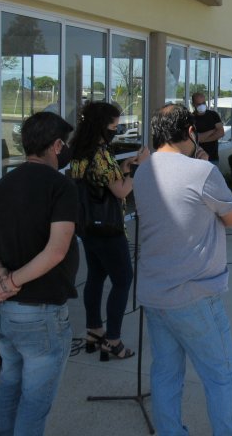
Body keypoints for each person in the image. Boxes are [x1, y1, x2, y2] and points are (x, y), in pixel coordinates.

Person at [133, 104, 232, 435]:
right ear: (191, 132)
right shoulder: (202, 172)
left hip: (155, 292)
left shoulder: (143, 171)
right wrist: (203, 167)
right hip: (195, 294)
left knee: (166, 373)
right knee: (221, 376)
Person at [0, 111, 79, 435]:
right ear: (57, 145)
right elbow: (57, 250)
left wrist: (1, 276)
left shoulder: (5, 183)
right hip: (38, 316)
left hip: (3, 314)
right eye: (66, 143)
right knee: (34, 401)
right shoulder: (60, 186)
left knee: (11, 384)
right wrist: (8, 282)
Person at [69, 101, 148, 360]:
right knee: (123, 280)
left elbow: (99, 182)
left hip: (88, 227)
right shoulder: (100, 154)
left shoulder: (81, 150)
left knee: (95, 277)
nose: (117, 130)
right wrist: (137, 168)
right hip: (108, 229)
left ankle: (94, 330)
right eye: (114, 126)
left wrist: (123, 169)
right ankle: (112, 340)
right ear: (101, 126)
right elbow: (122, 191)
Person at [190, 91, 226, 162]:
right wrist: (213, 130)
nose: (202, 106)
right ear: (194, 104)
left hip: (213, 158)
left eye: (203, 103)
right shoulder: (191, 118)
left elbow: (221, 132)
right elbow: (197, 138)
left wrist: (202, 139)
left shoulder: (213, 115)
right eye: (199, 104)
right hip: (197, 159)